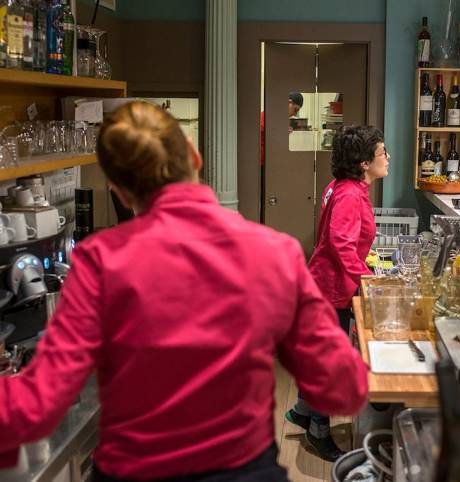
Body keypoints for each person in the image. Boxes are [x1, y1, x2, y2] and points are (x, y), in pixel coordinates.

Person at [0, 102, 368, 481]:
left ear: (120, 192)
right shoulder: (274, 252)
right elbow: (342, 390)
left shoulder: (100, 261)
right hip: (243, 473)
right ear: (194, 153)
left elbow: (35, 407)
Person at [285, 125, 390, 462]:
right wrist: (367, 279)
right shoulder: (348, 195)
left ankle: (303, 411)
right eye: (382, 153)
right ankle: (318, 433)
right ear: (363, 163)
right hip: (329, 290)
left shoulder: (344, 187)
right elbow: (340, 243)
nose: (387, 158)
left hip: (328, 285)